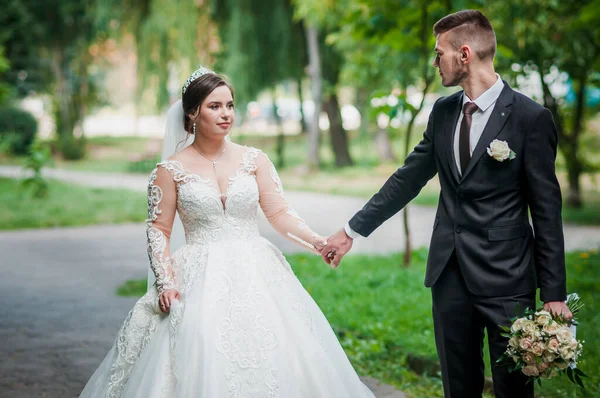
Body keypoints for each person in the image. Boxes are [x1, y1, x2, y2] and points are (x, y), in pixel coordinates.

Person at [80, 67, 374, 398]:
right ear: (192, 113)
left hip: (257, 270)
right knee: (203, 351)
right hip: (199, 276)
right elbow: (158, 230)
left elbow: (278, 213)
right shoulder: (169, 170)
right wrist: (166, 281)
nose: (226, 114)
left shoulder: (254, 160)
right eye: (215, 106)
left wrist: (317, 242)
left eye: (230, 105)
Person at [322, 9, 571, 398]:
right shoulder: (443, 112)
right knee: (458, 386)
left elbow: (546, 211)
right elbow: (407, 179)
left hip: (508, 278)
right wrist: (351, 230)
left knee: (513, 390)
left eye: (440, 54)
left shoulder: (530, 118)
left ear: (465, 54)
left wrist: (554, 293)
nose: (435, 62)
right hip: (449, 275)